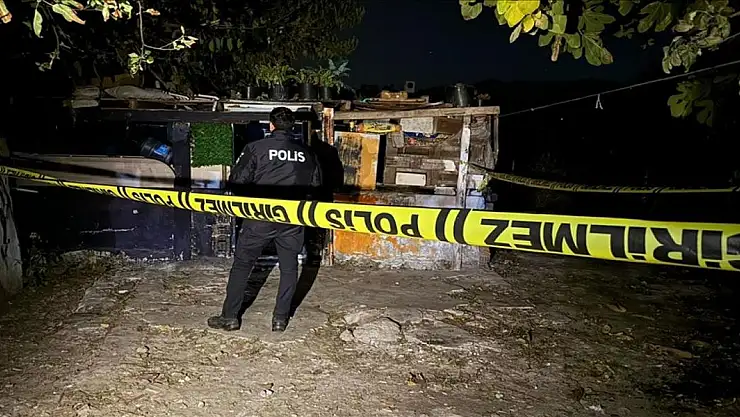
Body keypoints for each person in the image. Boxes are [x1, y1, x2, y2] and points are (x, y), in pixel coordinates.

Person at [208, 107, 322, 332]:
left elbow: (237, 182)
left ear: (271, 125)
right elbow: (316, 187)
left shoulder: (256, 148)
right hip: (292, 217)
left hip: (259, 216)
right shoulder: (307, 153)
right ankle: (280, 319)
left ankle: (230, 317)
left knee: (242, 265)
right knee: (289, 268)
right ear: (292, 126)